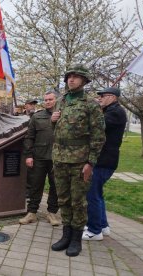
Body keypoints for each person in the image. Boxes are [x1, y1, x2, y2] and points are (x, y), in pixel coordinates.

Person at [50, 64, 105, 257]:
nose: (71, 80)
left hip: (80, 161)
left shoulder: (91, 104)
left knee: (78, 201)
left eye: (75, 77)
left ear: (84, 80)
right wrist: (53, 121)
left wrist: (91, 162)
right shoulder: (61, 101)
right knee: (63, 198)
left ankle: (76, 239)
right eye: (69, 77)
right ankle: (66, 235)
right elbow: (56, 132)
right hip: (60, 158)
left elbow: (98, 136)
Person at [83, 87, 126, 241]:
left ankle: (94, 231)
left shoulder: (116, 113)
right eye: (99, 96)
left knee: (92, 195)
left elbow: (96, 125)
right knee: (97, 194)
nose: (100, 98)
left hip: (103, 160)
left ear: (113, 97)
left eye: (103, 96)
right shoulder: (110, 111)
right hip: (104, 159)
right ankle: (103, 225)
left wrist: (93, 108)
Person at [19, 91, 60, 226]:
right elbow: (29, 137)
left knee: (55, 186)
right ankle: (32, 212)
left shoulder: (63, 115)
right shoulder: (37, 116)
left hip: (57, 157)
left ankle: (52, 213)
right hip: (39, 157)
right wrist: (29, 155)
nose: (48, 101)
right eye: (46, 99)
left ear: (56, 100)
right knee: (35, 185)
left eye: (50, 99)